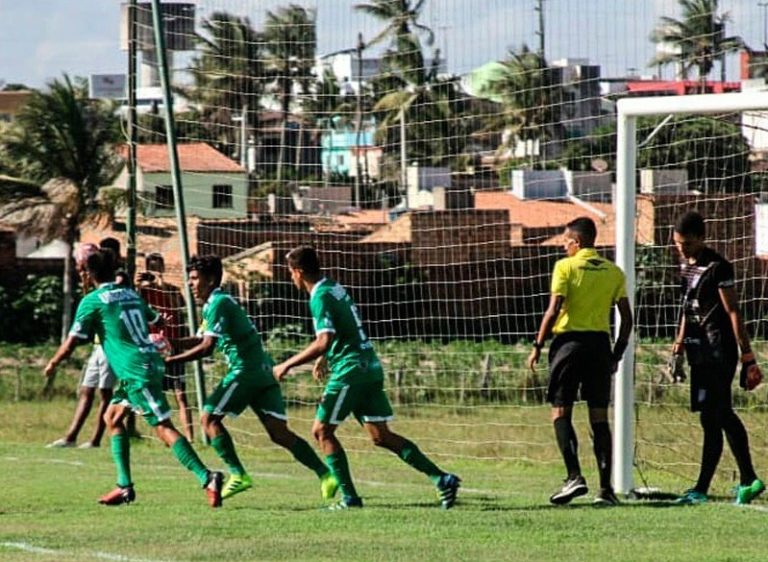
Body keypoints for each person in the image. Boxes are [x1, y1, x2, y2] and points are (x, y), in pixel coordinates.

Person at [273, 246, 461, 510]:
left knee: (321, 431)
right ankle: (443, 479)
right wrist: (324, 357)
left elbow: (324, 339)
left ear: (298, 272)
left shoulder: (319, 296)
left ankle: (350, 499)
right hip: (369, 365)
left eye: (290, 273)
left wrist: (287, 364)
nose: (290, 278)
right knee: (380, 436)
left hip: (350, 371)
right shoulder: (334, 287)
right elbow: (342, 328)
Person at [44, 249, 223, 508]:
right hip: (142, 365)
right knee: (113, 417)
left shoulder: (92, 301)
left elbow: (71, 343)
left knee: (162, 427)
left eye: (82, 271)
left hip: (137, 370)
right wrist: (152, 337)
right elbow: (159, 320)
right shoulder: (130, 294)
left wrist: (53, 362)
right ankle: (124, 486)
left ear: (87, 273)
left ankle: (207, 477)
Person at [165, 255, 338, 502]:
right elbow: (200, 338)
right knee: (279, 433)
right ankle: (326, 474)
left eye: (194, 278)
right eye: (189, 279)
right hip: (263, 371)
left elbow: (206, 347)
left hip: (245, 371)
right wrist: (171, 343)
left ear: (211, 279)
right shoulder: (216, 302)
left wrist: (170, 361)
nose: (190, 283)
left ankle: (237, 474)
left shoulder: (219, 302)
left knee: (209, 418)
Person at [528, 217, 633, 507]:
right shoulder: (613, 272)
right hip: (600, 345)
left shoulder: (566, 267)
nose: (563, 247)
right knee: (599, 416)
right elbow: (627, 317)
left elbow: (553, 310)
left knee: (560, 411)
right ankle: (606, 490)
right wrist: (618, 352)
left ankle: (574, 476)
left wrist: (537, 344)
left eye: (565, 242)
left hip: (569, 345)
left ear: (576, 242)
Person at [671, 211, 764, 505]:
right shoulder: (686, 266)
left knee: (719, 413)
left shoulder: (718, 267)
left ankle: (740, 481)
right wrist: (678, 347)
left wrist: (747, 355)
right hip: (698, 349)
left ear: (701, 238)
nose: (681, 249)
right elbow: (688, 309)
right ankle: (739, 482)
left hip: (719, 350)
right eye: (677, 244)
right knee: (711, 418)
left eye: (686, 243)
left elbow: (733, 311)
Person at [46, 242, 115, 449]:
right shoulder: (94, 291)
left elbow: (73, 340)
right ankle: (71, 437)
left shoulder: (112, 285)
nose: (78, 269)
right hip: (98, 346)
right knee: (86, 390)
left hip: (110, 348)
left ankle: (95, 440)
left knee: (105, 393)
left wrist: (54, 361)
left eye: (80, 265)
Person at [137, 253, 194, 441]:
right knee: (157, 394)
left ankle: (190, 437)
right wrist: (141, 284)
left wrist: (161, 283)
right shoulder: (144, 293)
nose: (155, 270)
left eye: (158, 266)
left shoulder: (172, 290)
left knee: (181, 394)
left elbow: (180, 311)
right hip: (154, 348)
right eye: (151, 267)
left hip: (173, 345)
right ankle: (165, 436)